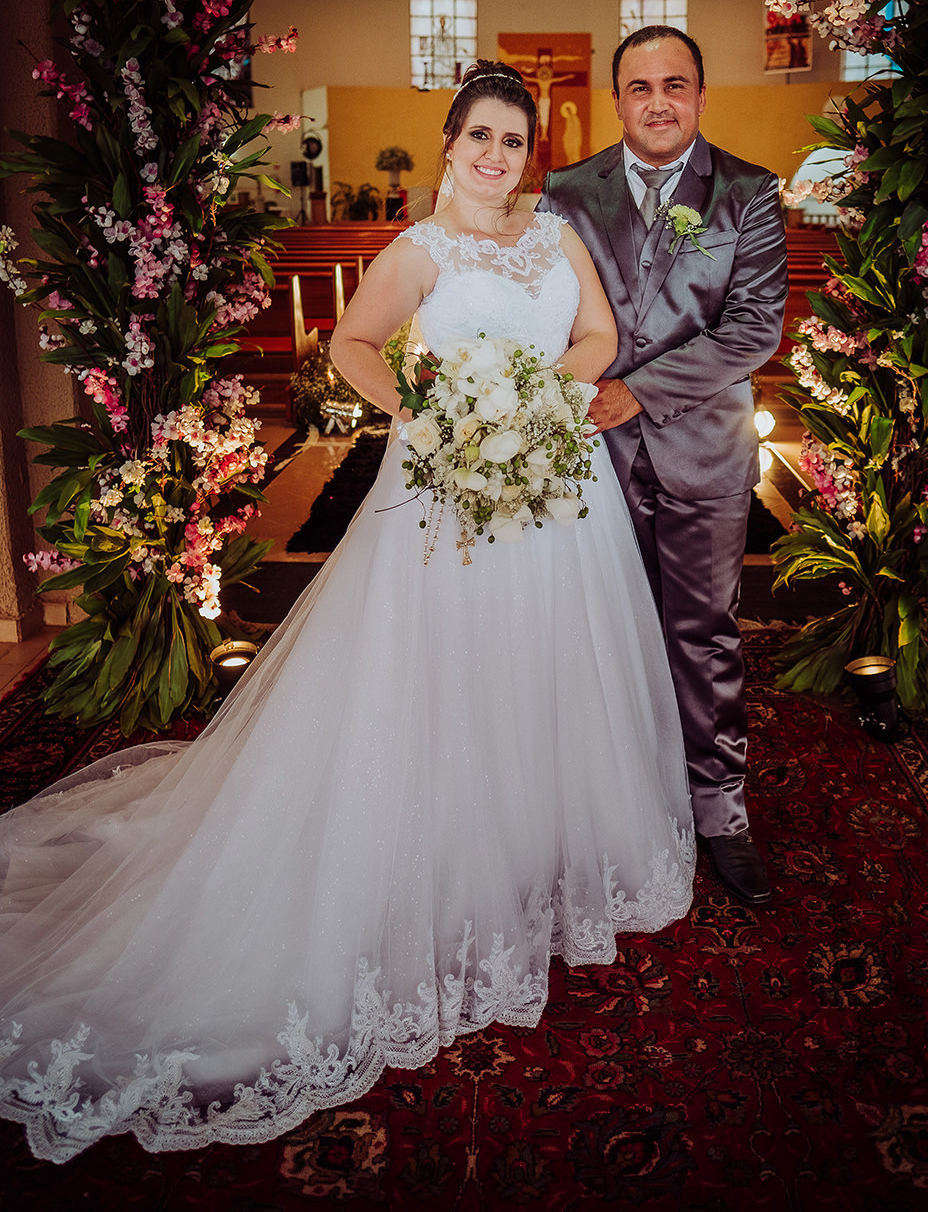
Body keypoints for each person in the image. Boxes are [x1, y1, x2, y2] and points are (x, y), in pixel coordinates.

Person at [0, 61, 694, 1165]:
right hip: (447, 492)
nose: (494, 156)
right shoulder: (417, 250)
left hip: (559, 488)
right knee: (441, 678)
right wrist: (441, 412)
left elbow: (601, 341)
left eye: (513, 140)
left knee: (555, 672)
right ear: (449, 140)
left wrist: (541, 395)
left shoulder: (556, 233)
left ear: (531, 153)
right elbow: (351, 348)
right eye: (479, 135)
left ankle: (538, 848)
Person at [539, 26, 788, 907]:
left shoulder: (750, 194)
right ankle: (621, 806)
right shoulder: (566, 192)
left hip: (704, 452)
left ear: (700, 94)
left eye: (674, 85)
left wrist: (637, 391)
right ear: (616, 100)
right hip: (589, 459)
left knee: (704, 637)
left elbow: (755, 327)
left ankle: (721, 812)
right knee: (600, 639)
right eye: (640, 87)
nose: (657, 101)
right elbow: (546, 311)